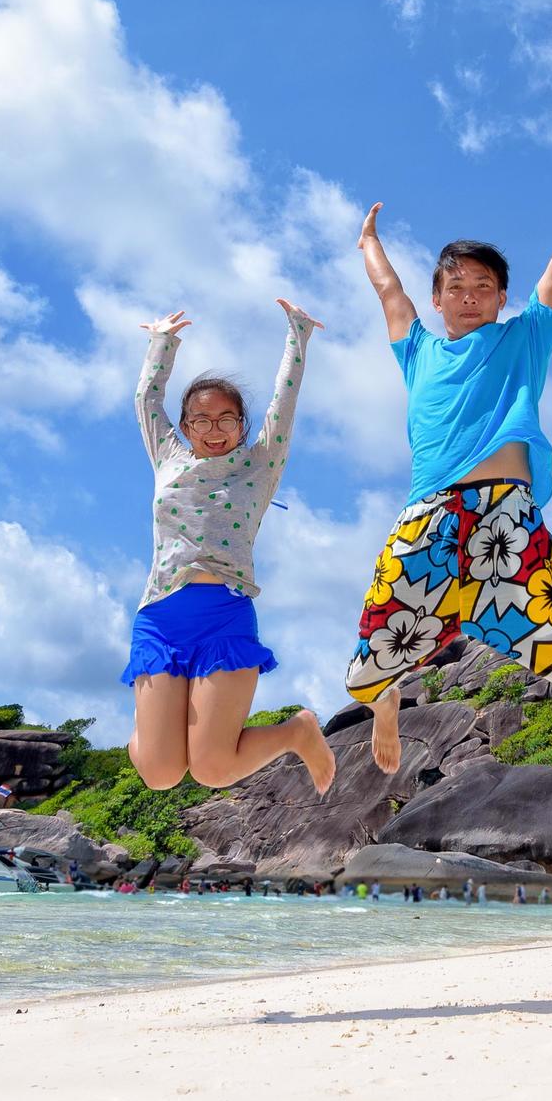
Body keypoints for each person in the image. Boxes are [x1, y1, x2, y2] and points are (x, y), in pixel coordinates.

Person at [347, 181, 552, 789]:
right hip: (430, 518)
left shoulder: (524, 339)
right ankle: (385, 701)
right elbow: (388, 290)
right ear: (437, 299)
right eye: (457, 288)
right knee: (366, 669)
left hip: (505, 521)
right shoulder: (418, 351)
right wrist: (368, 243)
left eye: (483, 288)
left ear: (501, 298)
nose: (470, 297)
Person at [124, 302, 338, 795]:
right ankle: (155, 730)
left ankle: (296, 731)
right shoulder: (168, 457)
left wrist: (298, 337)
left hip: (224, 617)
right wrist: (162, 343)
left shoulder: (259, 465)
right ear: (184, 426)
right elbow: (145, 399)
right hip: (160, 616)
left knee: (213, 769)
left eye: (226, 419)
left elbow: (284, 402)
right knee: (159, 774)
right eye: (200, 420)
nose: (214, 429)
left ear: (242, 425)